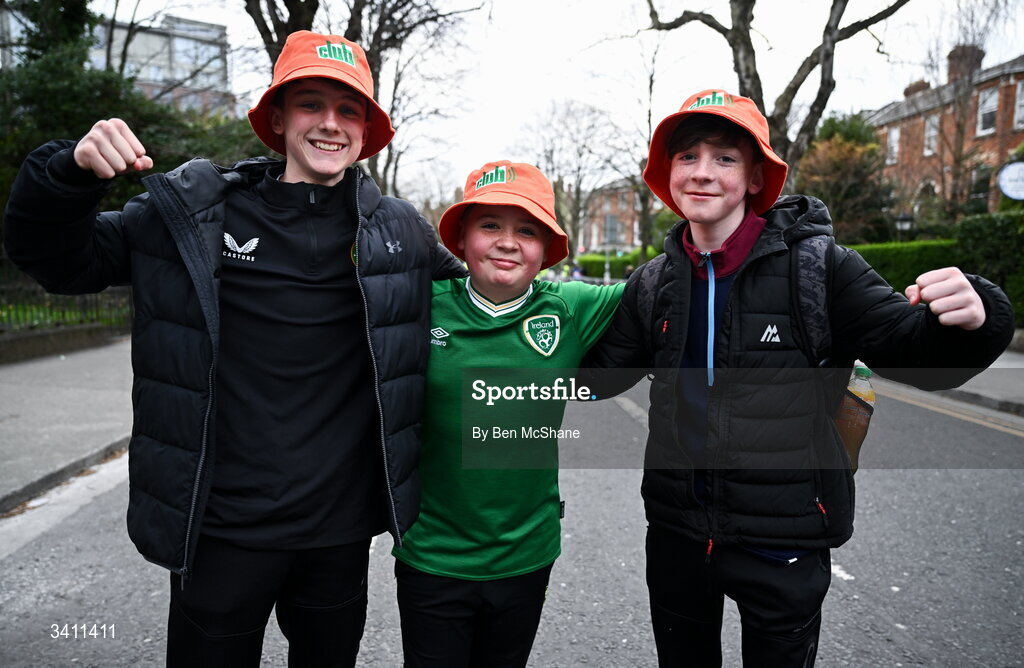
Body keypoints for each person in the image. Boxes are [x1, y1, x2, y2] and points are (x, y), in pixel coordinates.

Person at [3, 30, 465, 666]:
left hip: (337, 535)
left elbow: (487, 304)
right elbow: (57, 262)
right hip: (220, 531)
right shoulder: (195, 214)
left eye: (348, 109)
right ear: (277, 118)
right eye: (310, 104)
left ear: (366, 130)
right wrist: (67, 173)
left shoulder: (402, 232)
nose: (330, 123)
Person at [580, 89, 1014, 667]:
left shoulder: (820, 267)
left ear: (757, 176)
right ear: (667, 173)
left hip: (782, 539)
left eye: (725, 158)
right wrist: (521, 331)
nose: (703, 172)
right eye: (687, 157)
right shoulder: (653, 280)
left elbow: (915, 353)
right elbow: (600, 376)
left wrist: (978, 316)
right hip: (678, 534)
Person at [391, 160, 624, 667]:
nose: (507, 241)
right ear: (461, 238)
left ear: (546, 248)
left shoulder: (572, 306)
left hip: (526, 556)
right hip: (432, 554)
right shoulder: (419, 305)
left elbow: (673, 282)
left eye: (527, 229)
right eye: (490, 225)